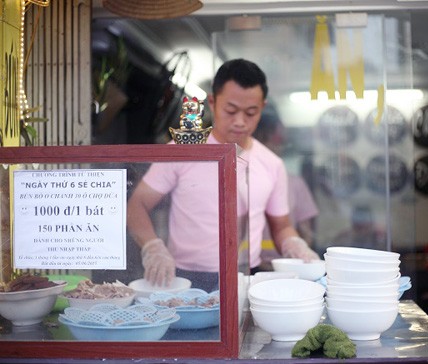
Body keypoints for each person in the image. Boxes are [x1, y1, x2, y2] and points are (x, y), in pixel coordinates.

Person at [127, 59, 320, 292]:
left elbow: (281, 226)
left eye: (251, 112)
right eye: (230, 110)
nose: (240, 122)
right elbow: (136, 205)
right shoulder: (183, 149)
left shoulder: (272, 164)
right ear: (212, 102)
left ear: (262, 107)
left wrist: (294, 244)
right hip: (186, 278)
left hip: (247, 276)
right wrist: (152, 247)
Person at [252, 105, 319, 270]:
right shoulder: (235, 180)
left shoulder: (295, 183)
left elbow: (306, 233)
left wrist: (300, 254)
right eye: (275, 139)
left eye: (280, 140)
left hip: (282, 267)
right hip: (243, 268)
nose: (279, 145)